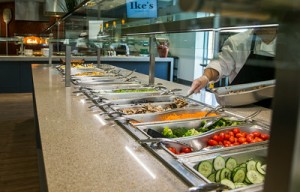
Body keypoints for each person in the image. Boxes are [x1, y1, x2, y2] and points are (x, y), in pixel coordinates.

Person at [189, 27, 277, 96]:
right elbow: (220, 63)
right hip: (240, 103)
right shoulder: (237, 41)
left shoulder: (289, 41)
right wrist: (205, 78)